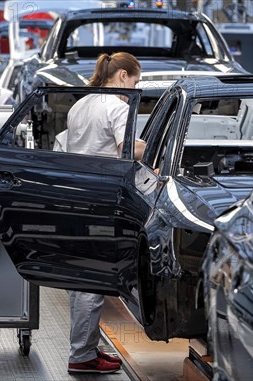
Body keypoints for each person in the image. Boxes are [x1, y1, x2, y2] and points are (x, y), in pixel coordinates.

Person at [64, 52, 145, 374]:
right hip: (99, 198)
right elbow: (129, 148)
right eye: (136, 81)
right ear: (123, 75)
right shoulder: (116, 105)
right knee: (92, 280)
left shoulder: (81, 104)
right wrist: (158, 144)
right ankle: (82, 357)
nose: (134, 87)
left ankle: (85, 348)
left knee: (79, 278)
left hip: (76, 197)